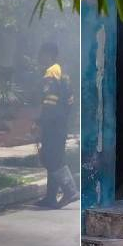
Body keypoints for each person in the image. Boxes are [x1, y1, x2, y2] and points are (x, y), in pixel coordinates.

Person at [37, 42, 78, 208]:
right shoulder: (63, 72)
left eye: (42, 54)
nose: (39, 57)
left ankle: (70, 190)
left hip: (52, 124)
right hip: (61, 123)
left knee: (51, 157)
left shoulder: (51, 72)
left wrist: (40, 123)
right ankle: (51, 197)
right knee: (54, 157)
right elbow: (69, 100)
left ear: (50, 54)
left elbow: (49, 102)